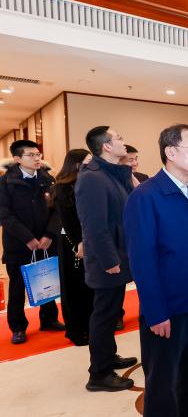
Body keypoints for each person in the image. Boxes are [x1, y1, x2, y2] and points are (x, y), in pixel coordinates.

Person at [123, 124, 188, 417]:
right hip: (168, 310)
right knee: (163, 386)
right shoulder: (145, 196)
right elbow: (142, 260)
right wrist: (155, 312)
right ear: (171, 152)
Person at [76, 126, 137, 392]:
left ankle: (109, 356)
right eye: (119, 138)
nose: (124, 141)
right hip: (107, 259)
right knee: (104, 314)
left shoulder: (110, 173)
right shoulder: (91, 178)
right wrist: (109, 260)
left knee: (112, 310)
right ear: (106, 146)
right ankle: (99, 374)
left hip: (118, 253)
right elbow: (94, 226)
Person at [0, 140, 64, 345]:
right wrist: (27, 238)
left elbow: (57, 211)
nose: (37, 158)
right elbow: (4, 215)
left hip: (46, 242)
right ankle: (18, 327)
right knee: (17, 287)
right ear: (17, 159)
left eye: (38, 154)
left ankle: (49, 319)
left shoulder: (47, 179)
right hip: (18, 244)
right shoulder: (5, 182)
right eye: (31, 155)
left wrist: (49, 235)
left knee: (46, 280)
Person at [54, 148, 94, 346]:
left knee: (88, 287)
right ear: (77, 163)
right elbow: (67, 219)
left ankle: (89, 327)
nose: (92, 164)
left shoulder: (87, 182)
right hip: (72, 241)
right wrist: (79, 241)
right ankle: (76, 330)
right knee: (73, 287)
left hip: (86, 239)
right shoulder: (63, 186)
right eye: (88, 160)